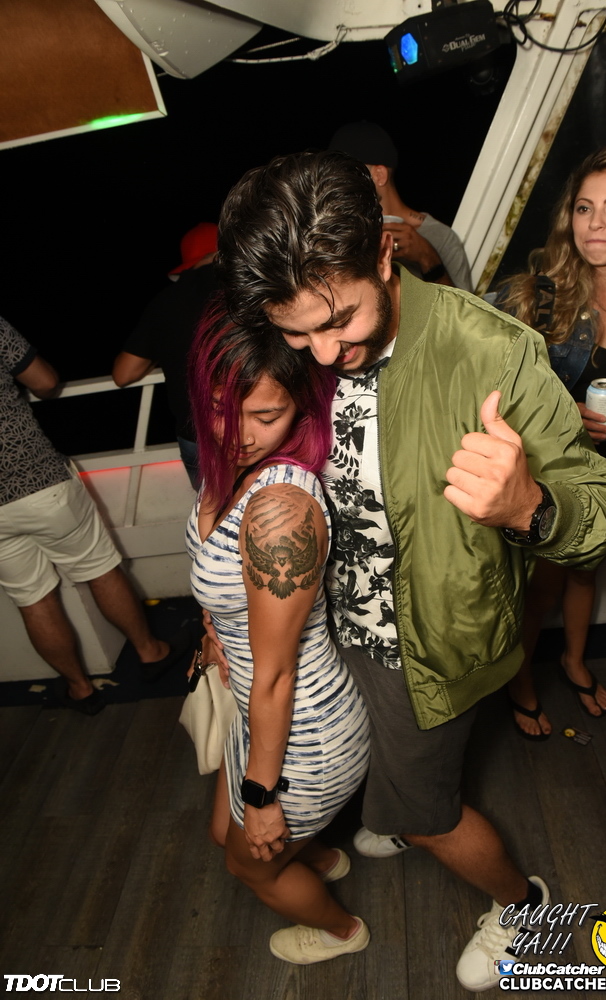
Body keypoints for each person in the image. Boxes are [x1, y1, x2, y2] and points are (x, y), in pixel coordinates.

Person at [214, 150, 606, 988]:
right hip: (332, 634)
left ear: (383, 253)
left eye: (339, 323)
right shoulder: (298, 341)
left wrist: (530, 506)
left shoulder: (491, 352)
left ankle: (524, 906)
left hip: (428, 653)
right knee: (383, 783)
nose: (320, 353)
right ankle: (390, 810)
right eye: (296, 333)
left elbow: (602, 514)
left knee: (428, 812)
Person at [185, 303, 370, 964]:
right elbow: (222, 575)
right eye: (220, 408)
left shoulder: (281, 510)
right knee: (222, 831)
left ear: (301, 408)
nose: (237, 433)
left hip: (303, 732)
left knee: (248, 865)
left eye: (266, 415)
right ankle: (315, 855)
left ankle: (342, 932)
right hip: (256, 710)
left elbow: (278, 671)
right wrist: (213, 628)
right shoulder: (227, 465)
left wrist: (263, 797)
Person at [500, 146, 606, 740]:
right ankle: (520, 681)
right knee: (542, 585)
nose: (595, 223)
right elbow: (485, 384)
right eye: (583, 207)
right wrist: (559, 411)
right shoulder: (534, 297)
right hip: (548, 475)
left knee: (586, 572)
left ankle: (572, 661)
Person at [0, 316, 189, 714]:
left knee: (31, 599)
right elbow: (44, 381)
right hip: (39, 483)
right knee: (100, 569)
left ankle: (80, 689)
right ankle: (151, 652)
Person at [112, 222, 219, 488]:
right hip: (259, 427)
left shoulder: (165, 302)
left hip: (195, 437)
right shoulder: (251, 286)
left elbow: (123, 374)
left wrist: (169, 347)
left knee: (214, 508)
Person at [329, 121, 473, 291]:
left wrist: (427, 257)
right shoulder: (345, 234)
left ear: (379, 175)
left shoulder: (441, 237)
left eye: (347, 175)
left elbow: (463, 307)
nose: (338, 186)